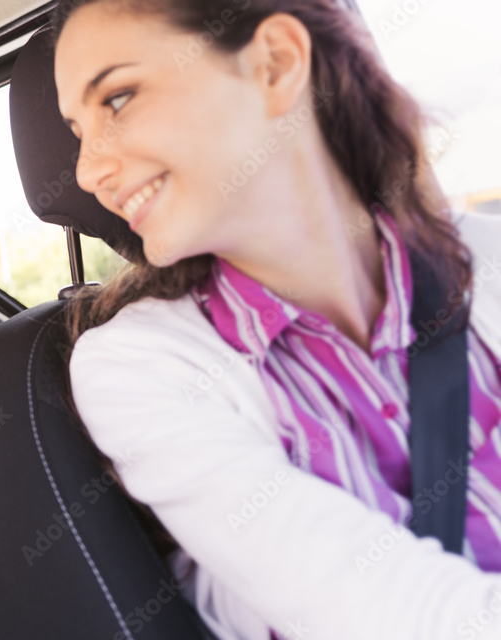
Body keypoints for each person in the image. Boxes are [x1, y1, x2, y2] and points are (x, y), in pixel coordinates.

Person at [54, 0, 501, 638]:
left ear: (275, 64)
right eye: (76, 130)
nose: (87, 171)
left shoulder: (487, 257)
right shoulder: (141, 369)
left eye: (118, 99)